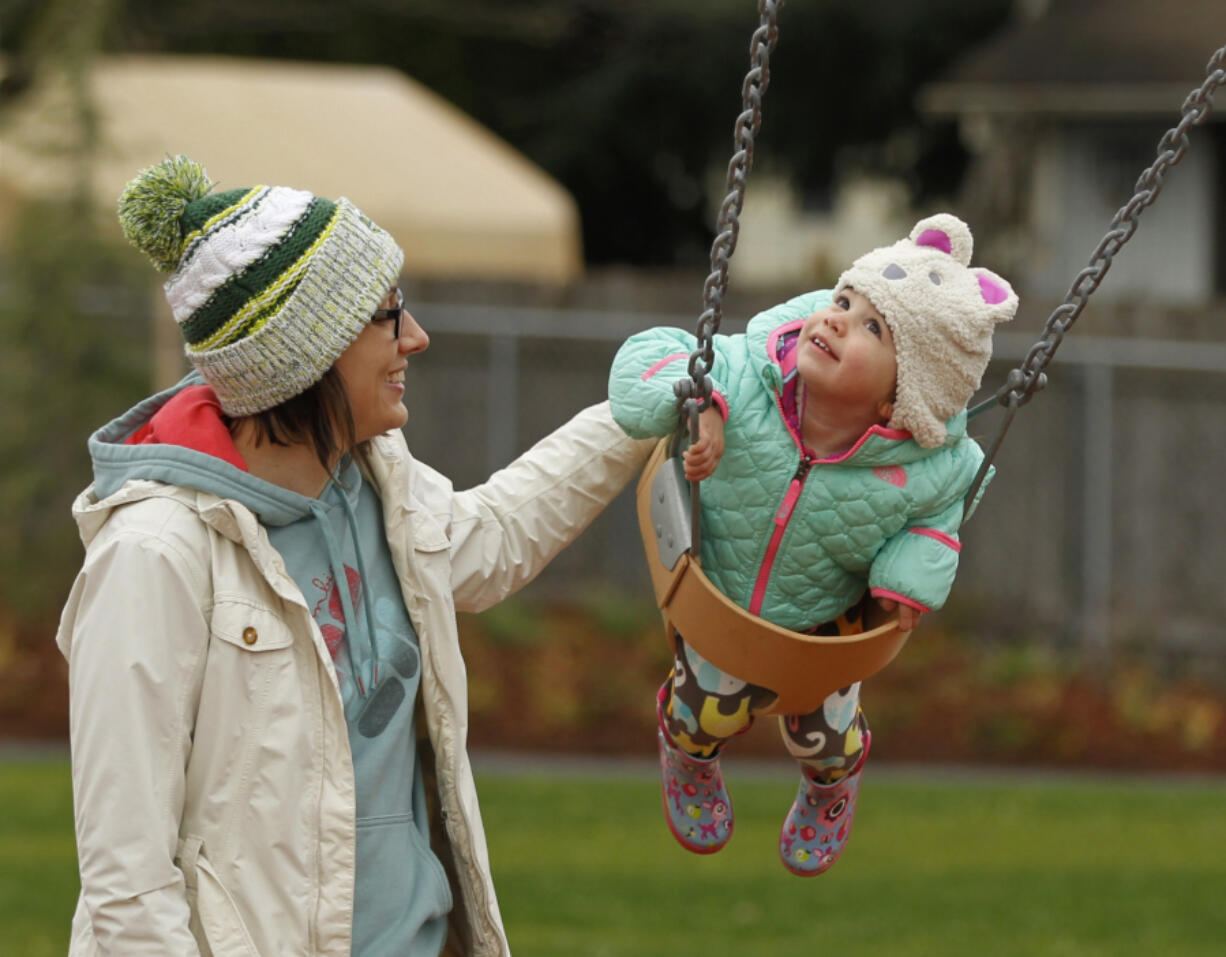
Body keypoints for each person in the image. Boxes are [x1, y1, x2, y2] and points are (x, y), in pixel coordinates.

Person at [55, 155, 653, 956]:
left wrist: (634, 415)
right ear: (305, 353)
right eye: (386, 316)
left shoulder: (375, 485)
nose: (417, 337)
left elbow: (494, 536)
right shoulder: (153, 555)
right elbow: (127, 886)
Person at [608, 214, 1018, 875]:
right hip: (717, 600)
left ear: (901, 396)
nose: (835, 321)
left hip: (824, 628)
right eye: (844, 302)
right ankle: (689, 759)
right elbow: (642, 361)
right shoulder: (743, 372)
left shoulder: (926, 468)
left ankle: (830, 787)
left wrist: (910, 581)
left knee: (824, 737)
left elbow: (936, 522)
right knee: (702, 713)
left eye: (871, 328)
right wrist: (698, 398)